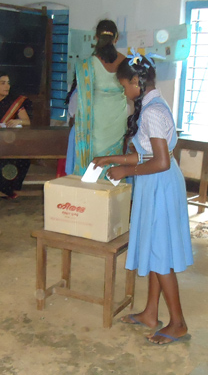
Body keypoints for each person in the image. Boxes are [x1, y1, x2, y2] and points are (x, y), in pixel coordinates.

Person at [93, 53, 193, 345]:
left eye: (125, 85)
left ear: (136, 81)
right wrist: (112, 159)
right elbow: (148, 155)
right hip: (156, 182)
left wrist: (126, 170)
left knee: (161, 255)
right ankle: (151, 313)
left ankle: (178, 323)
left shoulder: (152, 112)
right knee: (154, 249)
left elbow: (160, 161)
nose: (124, 91)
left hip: (161, 184)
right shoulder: (153, 105)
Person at [68, 19, 127, 176]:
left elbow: (77, 101)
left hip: (94, 123)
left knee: (94, 162)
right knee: (113, 160)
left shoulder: (87, 65)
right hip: (118, 122)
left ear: (96, 37)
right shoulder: (126, 63)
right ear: (116, 38)